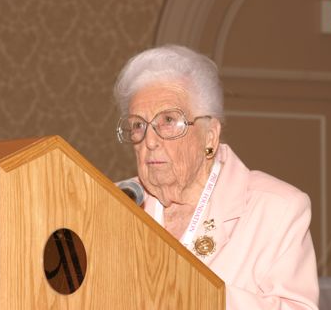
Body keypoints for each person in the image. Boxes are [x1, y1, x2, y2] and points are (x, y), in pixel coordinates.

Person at [113, 44, 319, 309]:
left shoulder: (278, 209)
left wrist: (199, 293)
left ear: (209, 136)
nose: (150, 140)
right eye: (138, 125)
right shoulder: (116, 204)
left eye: (168, 120)